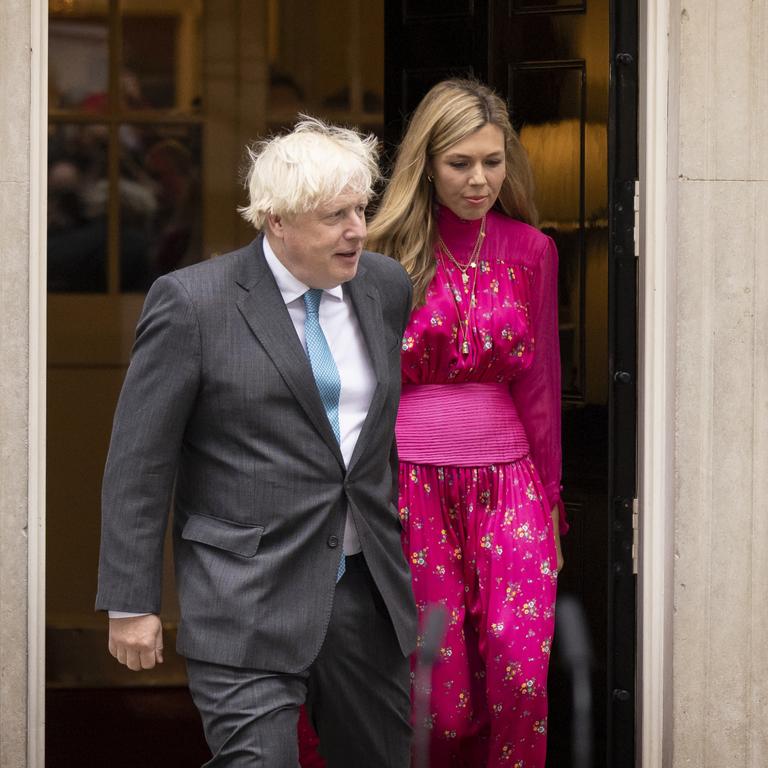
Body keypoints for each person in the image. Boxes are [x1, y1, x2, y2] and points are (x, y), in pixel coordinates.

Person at [96, 117, 417, 768]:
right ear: (276, 221)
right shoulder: (193, 304)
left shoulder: (385, 287)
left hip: (362, 590)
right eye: (335, 216)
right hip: (243, 593)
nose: (357, 228)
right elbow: (140, 460)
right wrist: (131, 602)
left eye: (360, 208)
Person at [366, 79, 566, 768]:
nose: (479, 179)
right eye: (460, 163)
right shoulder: (379, 252)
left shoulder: (532, 250)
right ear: (426, 161)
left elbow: (540, 389)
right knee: (440, 702)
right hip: (410, 488)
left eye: (493, 161)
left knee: (519, 677)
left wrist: (551, 504)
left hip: (512, 488)